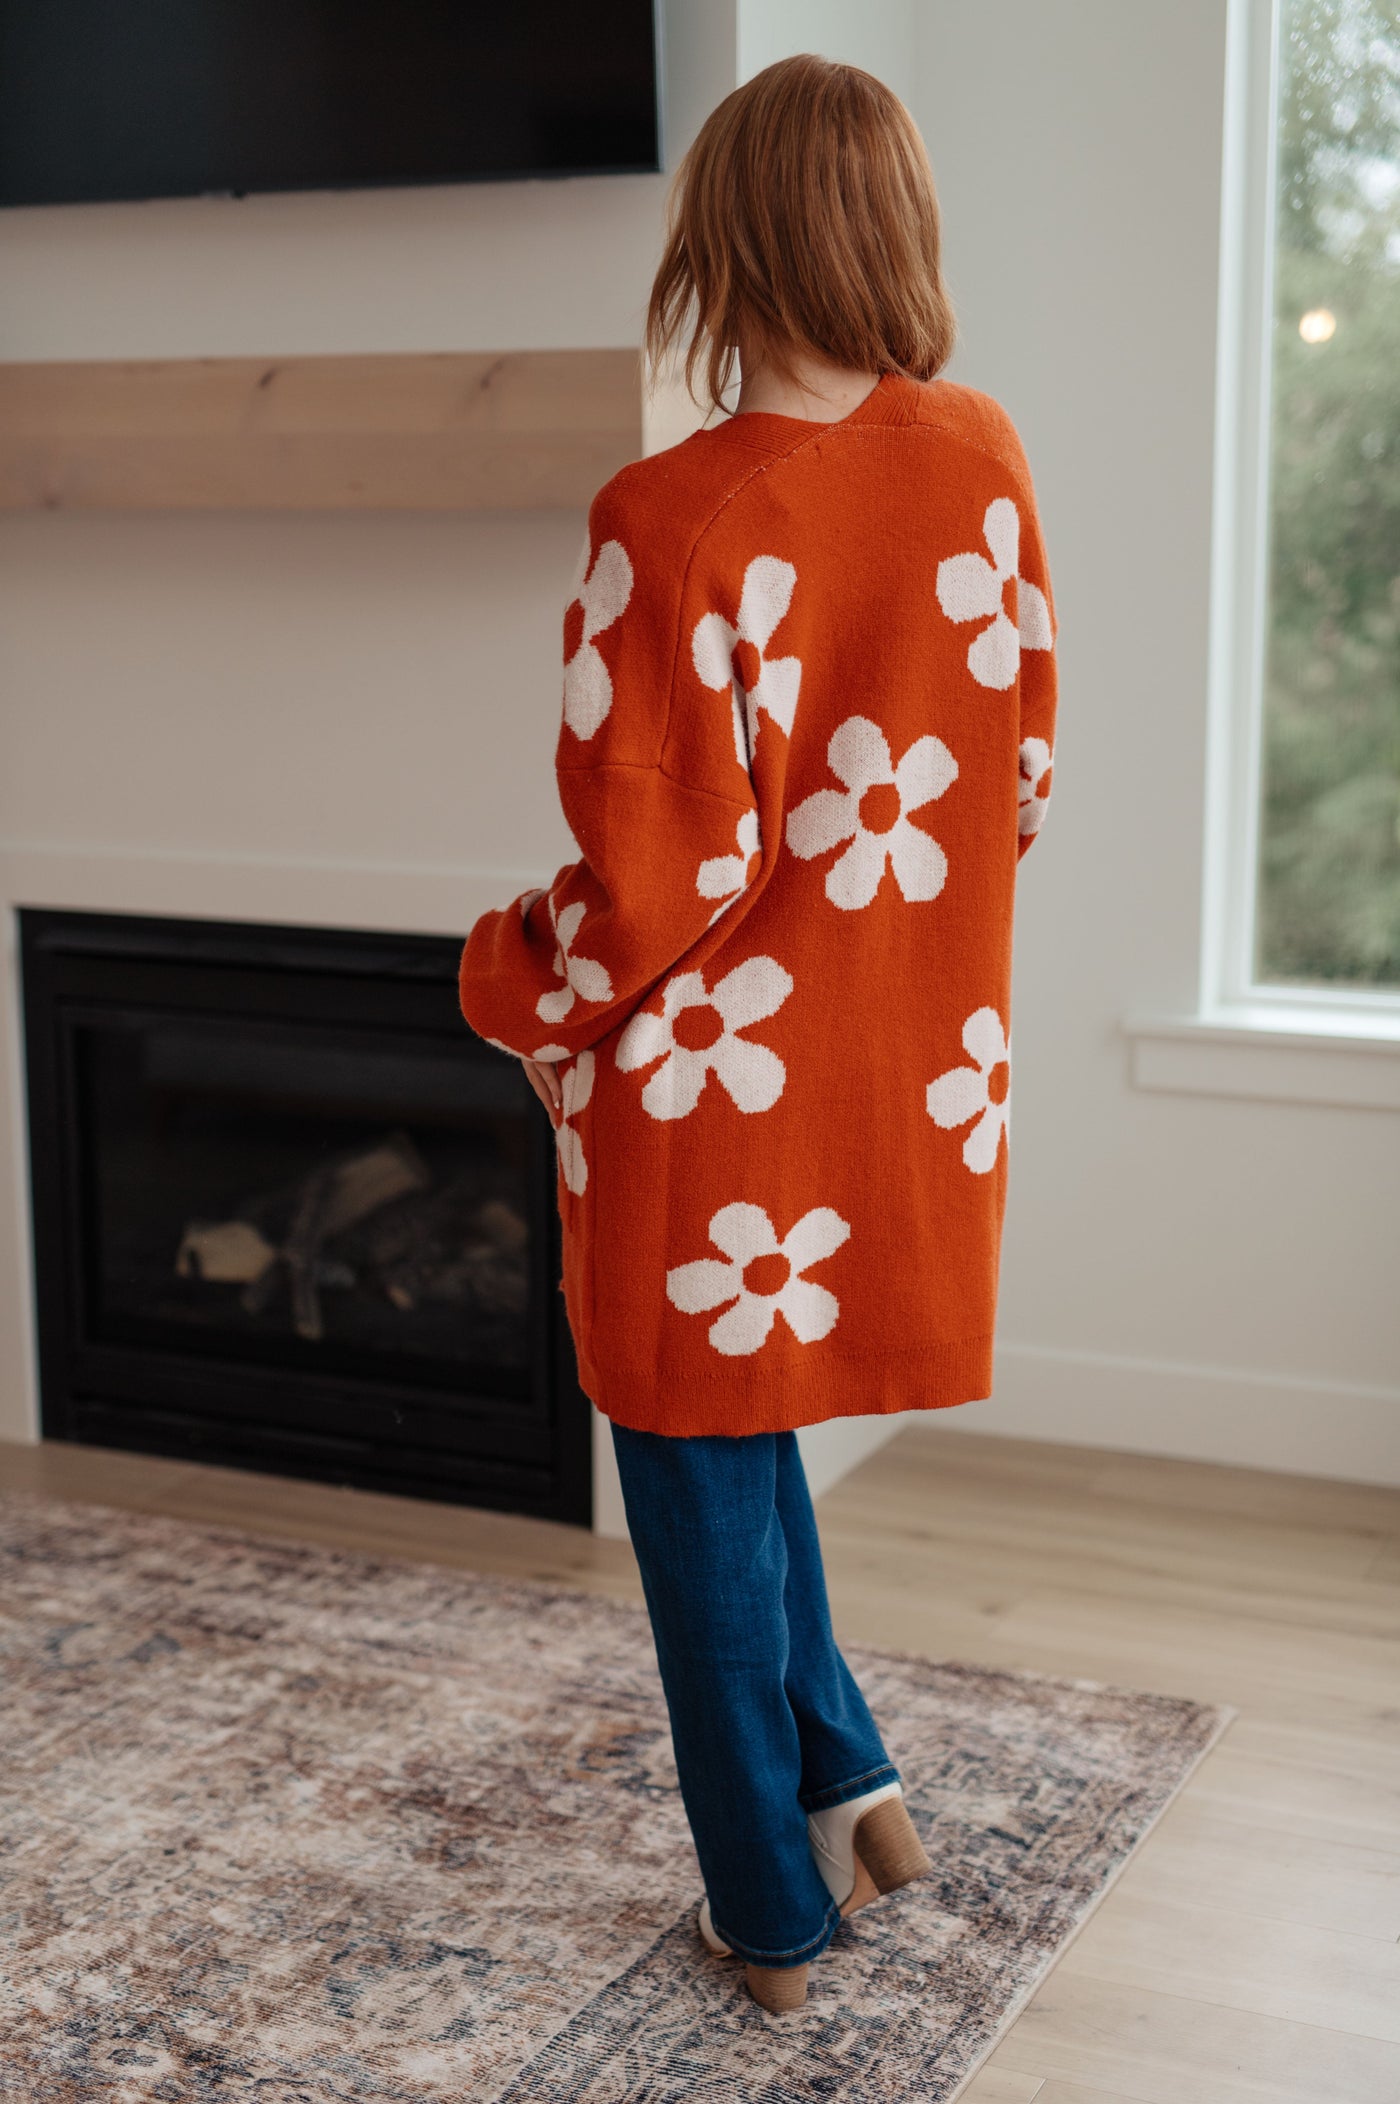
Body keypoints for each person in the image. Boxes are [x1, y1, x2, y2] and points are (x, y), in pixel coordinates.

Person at [459, 53, 1058, 2014]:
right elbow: (1015, 778)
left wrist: (505, 975)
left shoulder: (673, 513)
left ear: (718, 246)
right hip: (900, 1077)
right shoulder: (980, 453)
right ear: (895, 230)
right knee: (748, 1436)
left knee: (695, 1479)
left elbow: (648, 881)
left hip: (704, 1101)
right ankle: (852, 1785)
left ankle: (769, 1912)